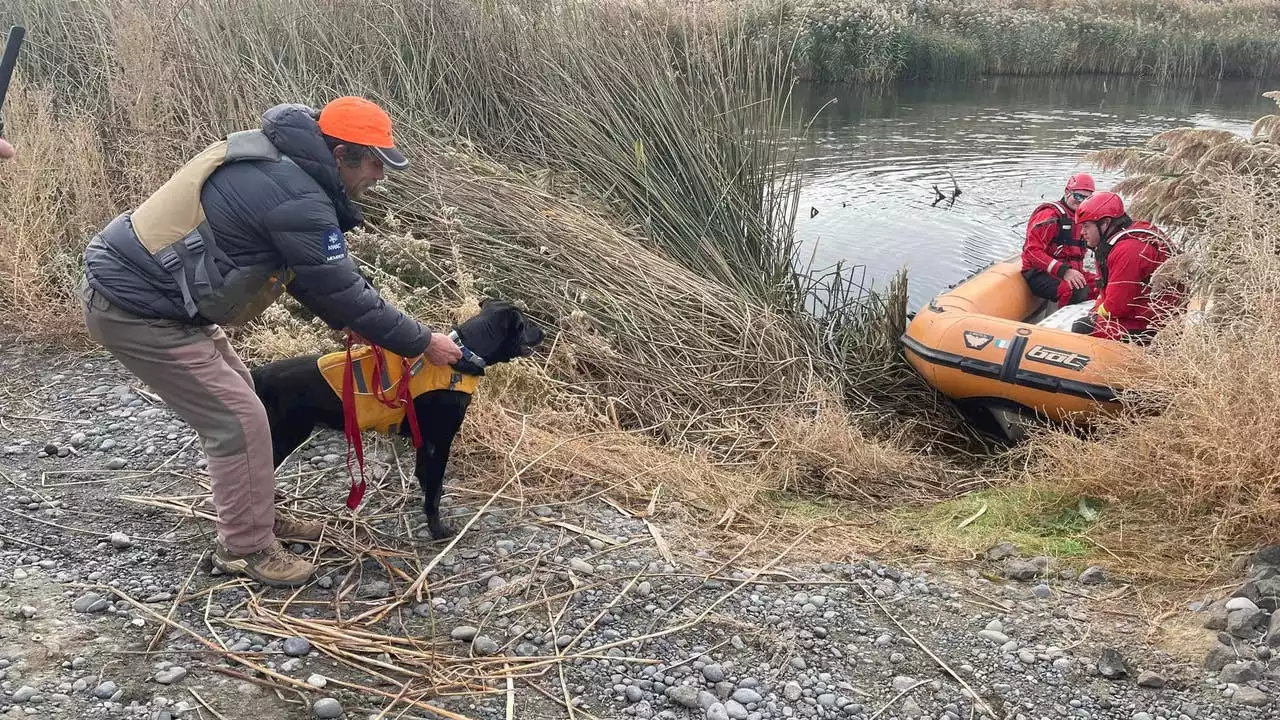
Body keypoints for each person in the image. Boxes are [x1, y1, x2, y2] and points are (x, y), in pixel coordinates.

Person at [76, 96, 463, 587]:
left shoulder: (285, 167)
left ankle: (257, 517)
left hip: (161, 299)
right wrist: (422, 341)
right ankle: (244, 547)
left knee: (245, 398)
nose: (379, 175)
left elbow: (304, 272)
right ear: (341, 154)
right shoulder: (295, 195)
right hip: (136, 308)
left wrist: (352, 321)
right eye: (373, 162)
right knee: (237, 420)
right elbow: (336, 284)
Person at [1070, 191, 1182, 343]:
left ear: (1105, 223)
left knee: (1083, 327)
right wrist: (1097, 311)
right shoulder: (1132, 235)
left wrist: (1096, 315)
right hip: (1155, 315)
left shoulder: (1128, 250)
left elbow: (1116, 306)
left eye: (1086, 226)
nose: (1082, 233)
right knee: (1093, 316)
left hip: (1153, 326)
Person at [1021, 173, 1096, 306]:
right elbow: (1031, 252)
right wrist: (1064, 271)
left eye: (1087, 199)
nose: (1081, 202)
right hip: (1040, 273)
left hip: (1072, 272)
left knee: (1103, 284)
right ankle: (1065, 324)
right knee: (1075, 291)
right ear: (1067, 192)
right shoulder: (1049, 216)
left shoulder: (1083, 219)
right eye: (1078, 196)